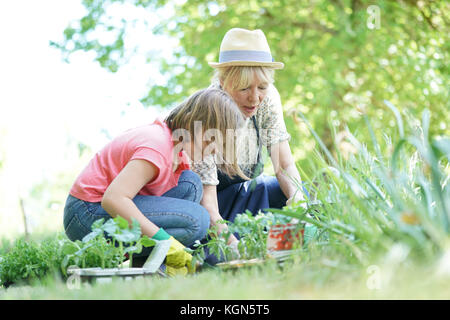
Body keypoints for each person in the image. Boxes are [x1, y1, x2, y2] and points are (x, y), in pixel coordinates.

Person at [63, 88, 246, 275]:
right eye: (212, 140)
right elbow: (113, 199)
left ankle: (150, 269)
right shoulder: (157, 146)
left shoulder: (177, 151)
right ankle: (158, 261)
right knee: (196, 220)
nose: (214, 150)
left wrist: (233, 245)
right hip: (85, 215)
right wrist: (164, 242)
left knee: (190, 184)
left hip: (97, 210)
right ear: (193, 122)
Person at [192, 28, 308, 257]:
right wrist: (237, 250)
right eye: (244, 88)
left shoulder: (268, 99)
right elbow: (208, 206)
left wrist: (298, 204)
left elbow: (283, 166)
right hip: (207, 209)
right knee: (218, 256)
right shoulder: (206, 114)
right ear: (224, 82)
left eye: (262, 87)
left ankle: (286, 256)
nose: (254, 98)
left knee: (294, 191)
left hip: (245, 198)